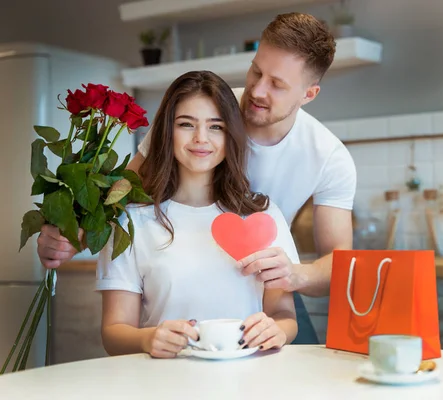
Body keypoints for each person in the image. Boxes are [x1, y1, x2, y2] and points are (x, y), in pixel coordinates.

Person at [36, 12, 357, 344]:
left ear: (309, 94)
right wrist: (70, 239)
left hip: (267, 281)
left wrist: (292, 273)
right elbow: (124, 195)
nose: (257, 90)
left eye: (277, 84)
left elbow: (341, 263)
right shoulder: (207, 105)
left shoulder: (328, 156)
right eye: (256, 71)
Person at [97, 70, 298, 358]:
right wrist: (147, 339)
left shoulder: (263, 215)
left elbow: (283, 314)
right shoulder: (130, 220)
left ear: (231, 134)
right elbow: (113, 332)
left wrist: (277, 330)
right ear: (167, 131)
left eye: (216, 127)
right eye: (186, 124)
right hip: (164, 380)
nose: (201, 138)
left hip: (250, 380)